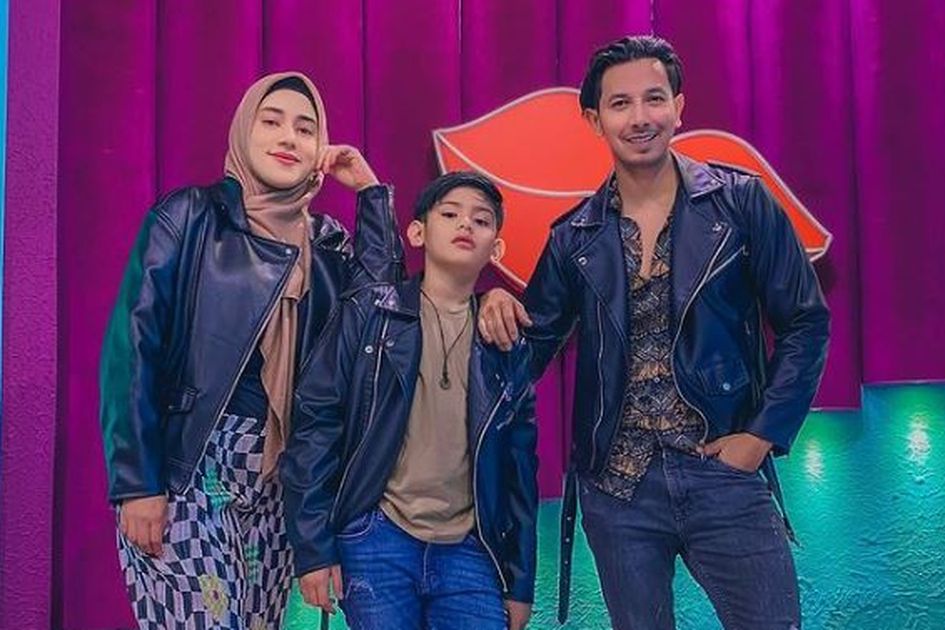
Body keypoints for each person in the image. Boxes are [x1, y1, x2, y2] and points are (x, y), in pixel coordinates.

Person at [478, 35, 829, 630]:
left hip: (722, 469)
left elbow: (805, 322)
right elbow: (528, 347)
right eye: (620, 104)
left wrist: (760, 436)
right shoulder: (573, 237)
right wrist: (490, 302)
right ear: (595, 120)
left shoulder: (741, 204)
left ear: (679, 107)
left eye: (654, 99)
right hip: (618, 490)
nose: (640, 117)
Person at [99, 71, 403, 629]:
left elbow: (379, 317)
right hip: (191, 469)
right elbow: (132, 349)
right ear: (243, 131)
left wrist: (370, 194)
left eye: (306, 129)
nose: (289, 137)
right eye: (272, 121)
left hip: (279, 480)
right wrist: (136, 482)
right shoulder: (190, 216)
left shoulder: (327, 244)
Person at [281, 172, 538, 630]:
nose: (466, 224)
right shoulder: (371, 313)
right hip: (377, 538)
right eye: (450, 214)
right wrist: (314, 548)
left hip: (471, 548)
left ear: (496, 249)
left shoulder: (503, 340)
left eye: (481, 220)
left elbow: (520, 468)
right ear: (417, 232)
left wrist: (519, 582)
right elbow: (317, 423)